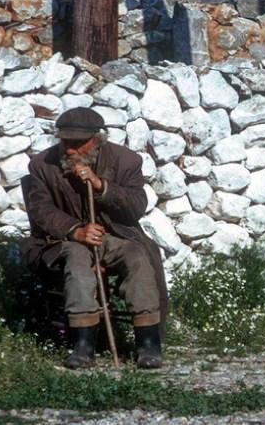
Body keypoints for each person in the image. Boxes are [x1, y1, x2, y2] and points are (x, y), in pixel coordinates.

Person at [21, 107, 167, 369]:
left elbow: (136, 206)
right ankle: (83, 343)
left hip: (114, 236)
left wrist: (102, 187)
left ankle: (148, 343)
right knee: (77, 260)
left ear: (97, 140)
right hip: (65, 241)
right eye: (66, 142)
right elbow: (40, 210)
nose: (70, 150)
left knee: (137, 257)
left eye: (78, 144)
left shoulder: (126, 161)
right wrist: (75, 230)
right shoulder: (42, 165)